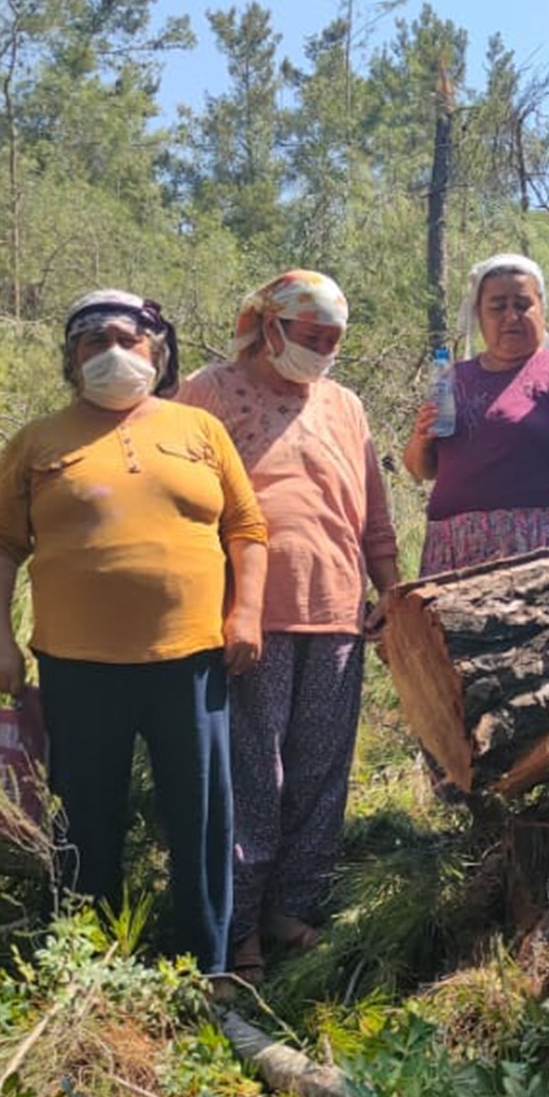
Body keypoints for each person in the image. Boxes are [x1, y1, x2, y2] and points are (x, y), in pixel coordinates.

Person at [0, 289, 267, 976]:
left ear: (156, 353)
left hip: (190, 662)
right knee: (85, 820)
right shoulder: (37, 441)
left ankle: (206, 967)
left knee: (199, 823)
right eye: (91, 342)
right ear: (71, 359)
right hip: (78, 667)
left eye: (126, 340)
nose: (110, 353)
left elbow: (247, 529)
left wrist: (245, 612)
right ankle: (85, 965)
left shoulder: (200, 432)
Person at [174, 270, 399, 983]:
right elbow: (178, 497)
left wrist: (392, 593)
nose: (323, 352)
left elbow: (373, 511)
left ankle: (294, 909)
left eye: (334, 342)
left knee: (320, 771)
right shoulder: (209, 392)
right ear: (271, 328)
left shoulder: (345, 406)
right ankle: (237, 930)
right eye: (312, 338)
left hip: (335, 610)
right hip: (249, 614)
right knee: (251, 775)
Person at [405, 254, 549, 574]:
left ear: (541, 308)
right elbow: (423, 470)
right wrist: (422, 440)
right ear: (479, 314)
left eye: (522, 304)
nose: (511, 316)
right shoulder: (452, 378)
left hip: (536, 546)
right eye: (497, 306)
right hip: (451, 549)